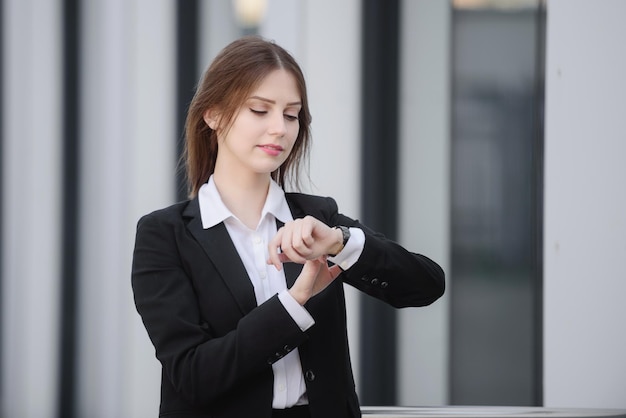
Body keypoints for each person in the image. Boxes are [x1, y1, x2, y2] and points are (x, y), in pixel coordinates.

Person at [131, 36, 445, 418]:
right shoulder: (165, 236)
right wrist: (294, 303)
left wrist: (339, 242)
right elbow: (194, 375)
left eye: (292, 114)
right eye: (259, 110)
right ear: (211, 115)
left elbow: (426, 284)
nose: (279, 128)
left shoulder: (316, 219)